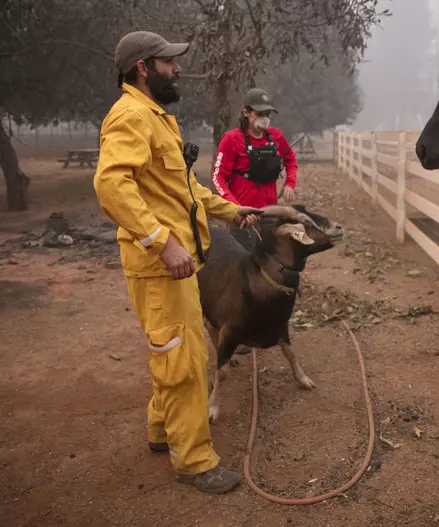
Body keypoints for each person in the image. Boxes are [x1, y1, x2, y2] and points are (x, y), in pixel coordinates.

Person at [93, 30, 263, 494]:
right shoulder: (130, 116)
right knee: (184, 360)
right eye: (168, 62)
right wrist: (161, 242)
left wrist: (233, 211)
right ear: (143, 67)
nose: (178, 68)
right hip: (160, 267)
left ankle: (160, 429)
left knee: (170, 351)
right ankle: (194, 461)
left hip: (176, 264)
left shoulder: (156, 117)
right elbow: (111, 186)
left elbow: (186, 190)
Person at [211, 88, 298, 251]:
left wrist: (290, 184)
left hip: (272, 213)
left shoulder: (276, 136)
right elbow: (218, 177)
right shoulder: (232, 139)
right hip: (244, 218)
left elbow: (291, 159)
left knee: (273, 262)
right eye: (259, 113)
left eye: (267, 114)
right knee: (244, 262)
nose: (264, 118)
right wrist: (235, 208)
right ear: (246, 113)